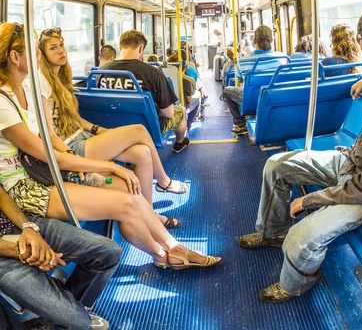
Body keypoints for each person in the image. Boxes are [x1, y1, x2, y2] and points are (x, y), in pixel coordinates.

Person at [0, 22, 221, 271]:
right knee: (125, 204)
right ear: (15, 56)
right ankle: (164, 254)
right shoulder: (3, 102)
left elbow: (48, 137)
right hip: (29, 186)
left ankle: (173, 249)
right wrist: (107, 167)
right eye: (34, 48)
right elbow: (50, 157)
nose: (38, 53)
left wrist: (77, 155)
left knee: (131, 191)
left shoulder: (26, 89)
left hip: (47, 170)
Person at [238, 2, 362, 303]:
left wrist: (309, 199)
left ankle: (296, 283)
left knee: (301, 240)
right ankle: (273, 232)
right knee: (276, 165)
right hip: (351, 161)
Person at [38, 28, 189, 229]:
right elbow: (47, 132)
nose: (61, 51)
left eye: (62, 45)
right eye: (53, 48)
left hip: (81, 136)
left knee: (143, 153)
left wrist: (99, 130)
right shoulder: (41, 82)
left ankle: (150, 213)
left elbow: (76, 119)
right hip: (70, 146)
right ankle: (163, 181)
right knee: (139, 131)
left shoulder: (77, 78)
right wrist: (71, 157)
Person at [0, 186, 120, 329]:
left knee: (109, 252)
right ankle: (68, 313)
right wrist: (21, 251)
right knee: (80, 322)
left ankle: (71, 306)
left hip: (12, 225)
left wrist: (28, 227)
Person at [99, 30, 189, 154]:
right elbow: (168, 113)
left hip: (109, 126)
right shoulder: (152, 73)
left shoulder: (100, 72)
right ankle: (180, 143)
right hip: (146, 128)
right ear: (141, 48)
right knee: (181, 110)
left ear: (121, 47)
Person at [223, 26, 285, 135]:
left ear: (254, 40)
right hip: (277, 98)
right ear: (272, 40)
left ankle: (240, 124)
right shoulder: (283, 59)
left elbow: (240, 81)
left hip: (253, 100)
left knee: (227, 91)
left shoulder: (243, 62)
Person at [168, 54, 202, 129]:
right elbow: (189, 99)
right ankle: (188, 125)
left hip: (166, 107)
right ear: (183, 68)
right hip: (181, 107)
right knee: (196, 101)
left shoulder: (164, 79)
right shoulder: (186, 80)